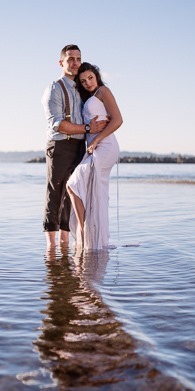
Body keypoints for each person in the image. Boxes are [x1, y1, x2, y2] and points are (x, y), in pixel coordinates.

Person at [41, 45, 107, 250]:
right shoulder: (55, 88)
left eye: (78, 58)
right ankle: (51, 246)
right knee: (56, 191)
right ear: (61, 63)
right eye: (70, 59)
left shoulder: (83, 87)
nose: (75, 62)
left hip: (81, 145)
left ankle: (65, 240)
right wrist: (88, 127)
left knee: (74, 190)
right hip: (60, 144)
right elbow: (58, 123)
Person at [66, 62, 123, 250]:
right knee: (87, 191)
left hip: (105, 147)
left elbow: (118, 120)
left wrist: (97, 139)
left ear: (96, 76)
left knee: (73, 184)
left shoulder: (103, 91)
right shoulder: (90, 97)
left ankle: (87, 234)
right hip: (94, 147)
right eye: (83, 81)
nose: (88, 83)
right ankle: (89, 235)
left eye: (90, 78)